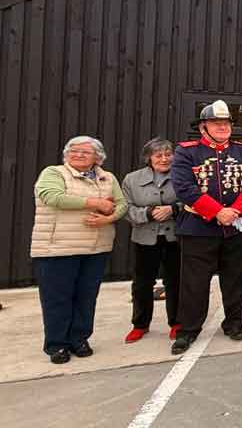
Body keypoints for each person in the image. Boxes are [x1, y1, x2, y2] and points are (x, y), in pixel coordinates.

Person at [171, 100, 242, 355]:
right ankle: (188, 330)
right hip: (198, 229)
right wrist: (216, 212)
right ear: (203, 127)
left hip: (234, 227)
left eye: (226, 123)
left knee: (235, 280)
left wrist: (234, 211)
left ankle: (234, 323)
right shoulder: (186, 152)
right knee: (194, 283)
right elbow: (184, 187)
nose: (223, 127)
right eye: (216, 123)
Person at [32, 136, 128, 364]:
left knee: (86, 297)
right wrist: (97, 203)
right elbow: (53, 197)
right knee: (57, 298)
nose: (78, 155)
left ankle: (79, 339)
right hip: (58, 247)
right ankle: (57, 345)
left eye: (86, 152)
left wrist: (109, 218)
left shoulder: (107, 177)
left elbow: (122, 204)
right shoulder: (53, 173)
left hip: (96, 247)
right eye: (73, 151)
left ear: (98, 157)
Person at [122, 137, 182, 344]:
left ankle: (176, 322)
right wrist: (147, 213)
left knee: (176, 281)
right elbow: (125, 208)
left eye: (168, 154)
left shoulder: (183, 175)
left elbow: (193, 200)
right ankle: (140, 324)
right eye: (159, 155)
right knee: (142, 283)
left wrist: (173, 209)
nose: (164, 159)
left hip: (175, 237)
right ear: (148, 158)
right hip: (144, 238)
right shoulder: (132, 179)